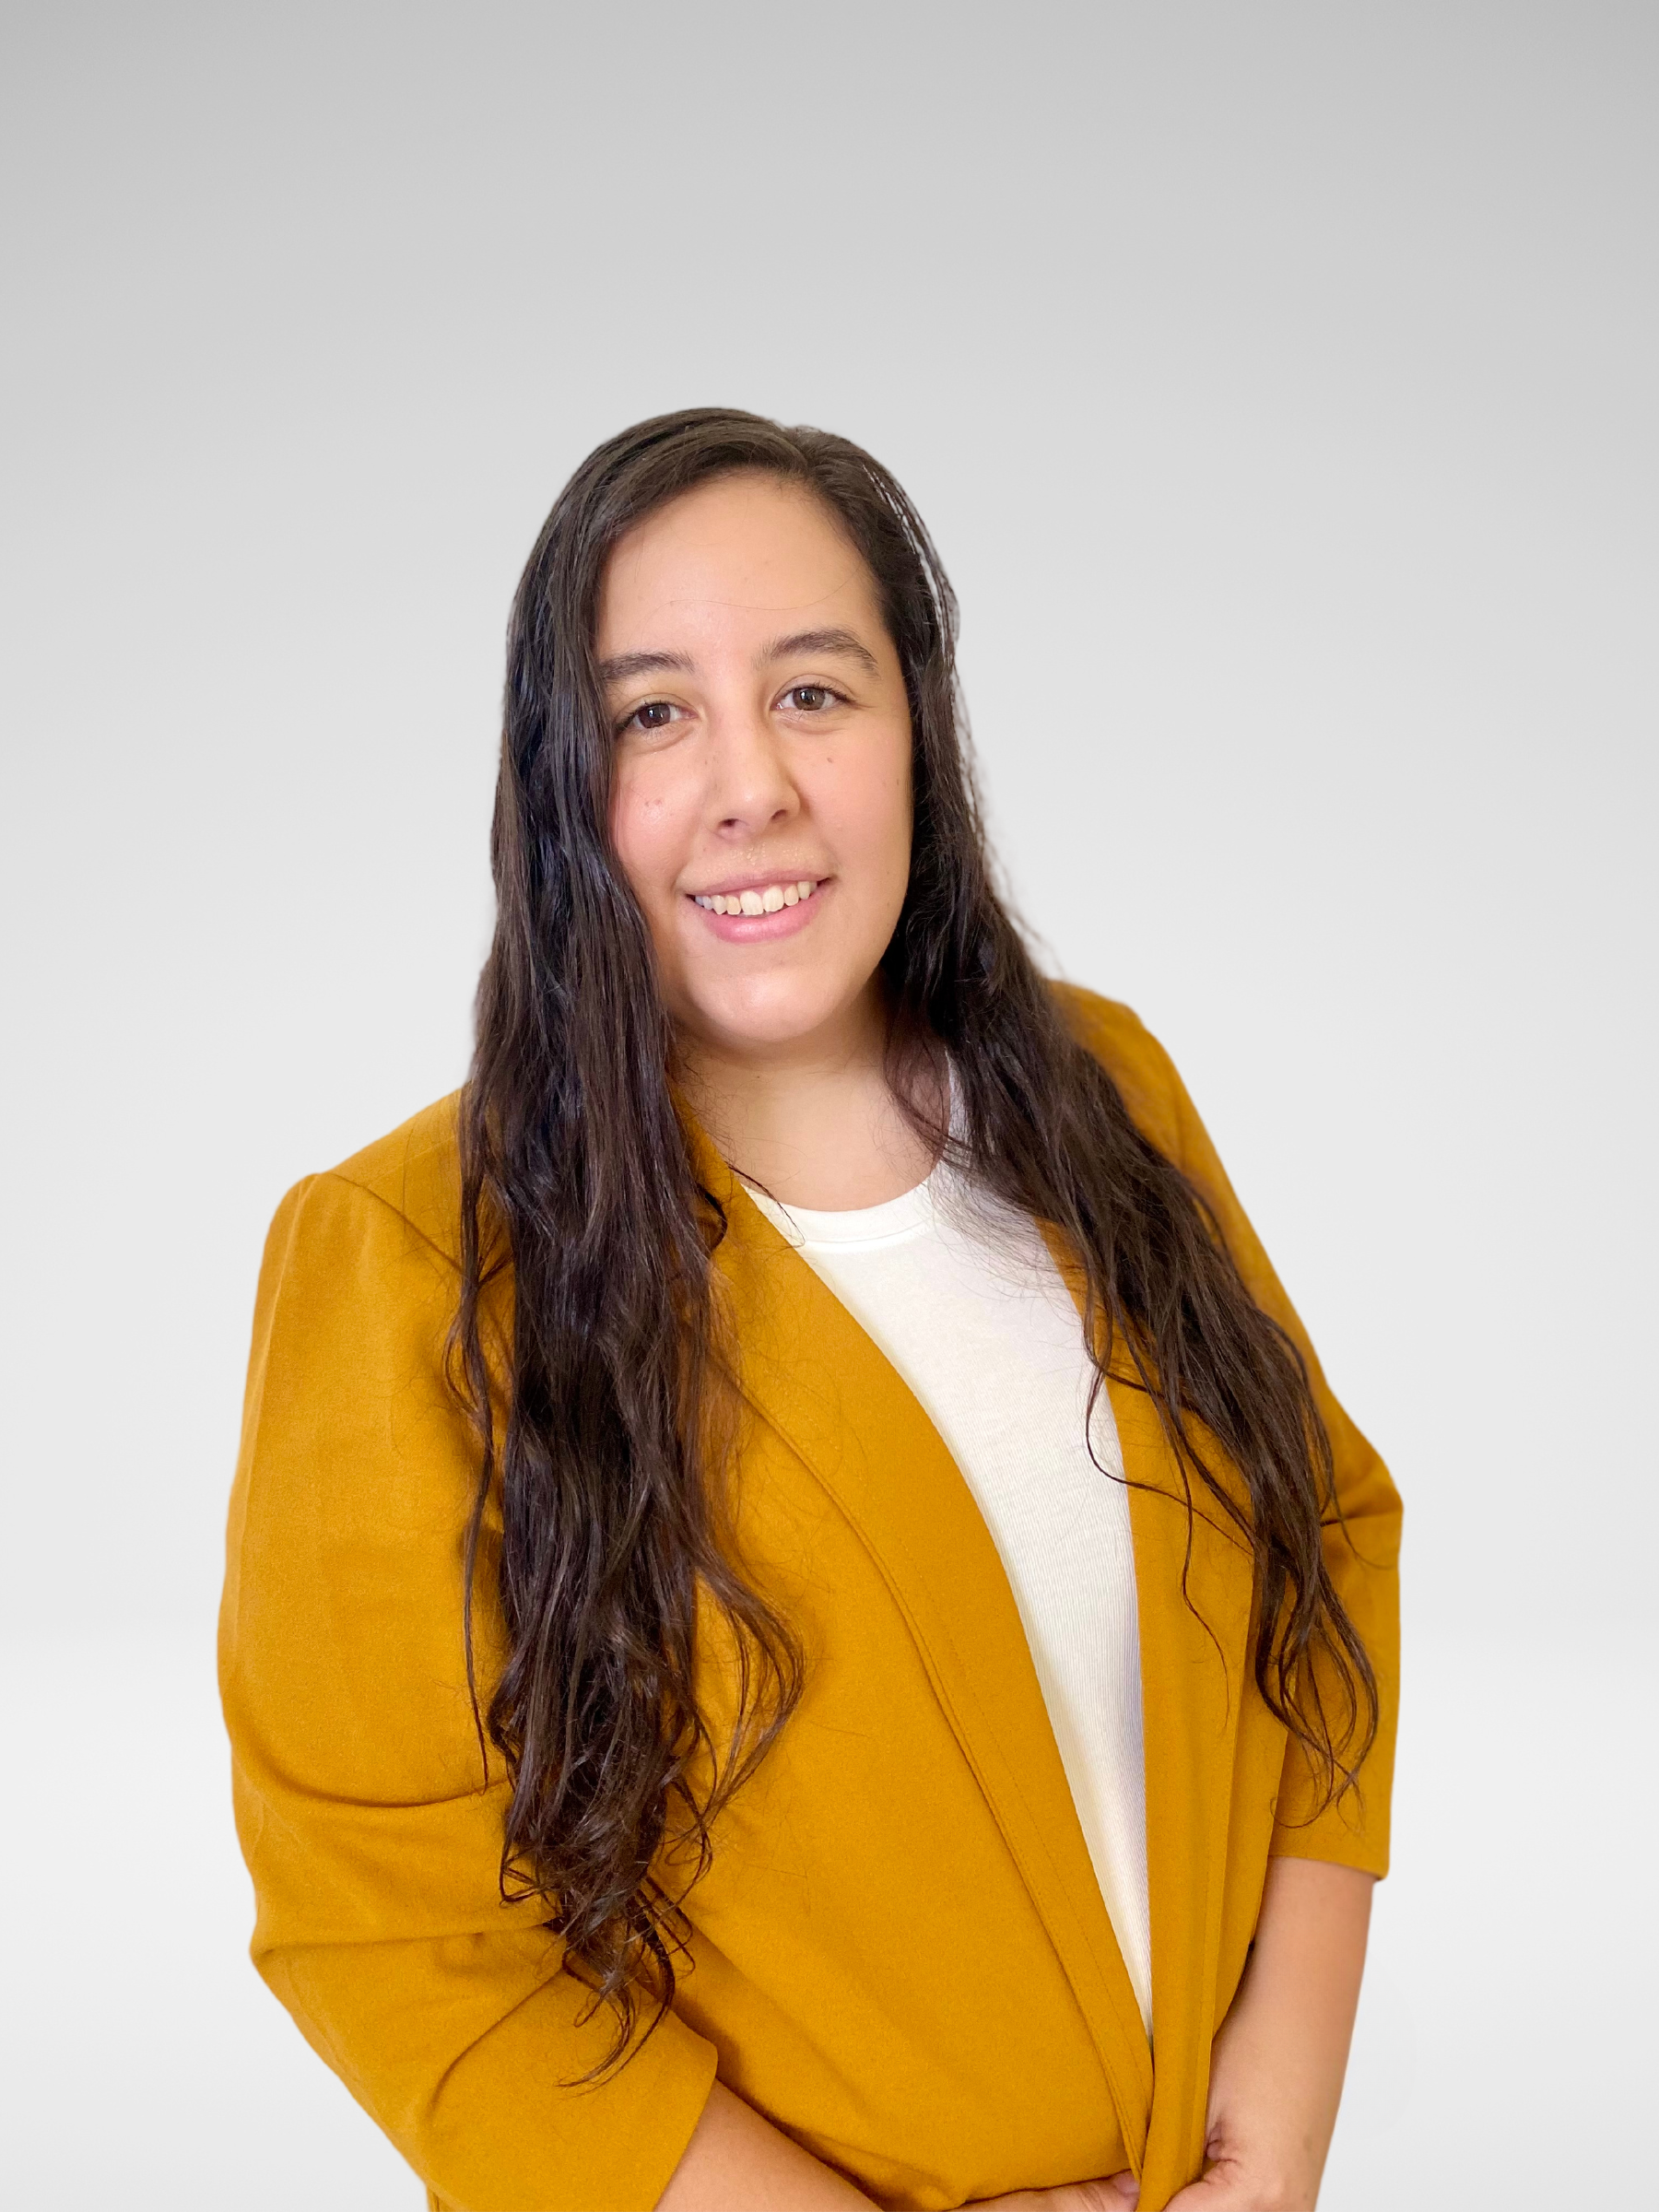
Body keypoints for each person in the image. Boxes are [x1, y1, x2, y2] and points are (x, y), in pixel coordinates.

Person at [219, 408, 1400, 2212]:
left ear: (918, 731)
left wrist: (1271, 2131)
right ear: (563, 787)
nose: (750, 782)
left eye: (816, 691)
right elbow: (391, 1938)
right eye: (654, 713)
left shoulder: (1105, 1098)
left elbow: (1328, 1547)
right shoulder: (403, 1265)